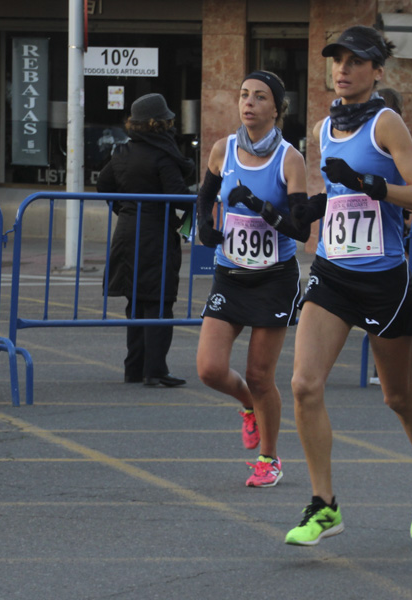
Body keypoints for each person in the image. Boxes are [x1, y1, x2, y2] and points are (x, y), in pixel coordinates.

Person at [283, 25, 412, 547]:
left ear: (377, 71)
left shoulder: (387, 122)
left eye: (356, 61)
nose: (343, 68)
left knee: (398, 397)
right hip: (333, 272)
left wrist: (371, 185)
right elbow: (333, 192)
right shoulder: (322, 127)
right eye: (337, 59)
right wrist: (312, 207)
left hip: (383, 279)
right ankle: (324, 503)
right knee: (304, 385)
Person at [194, 71, 310, 487]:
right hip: (230, 273)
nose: (249, 103)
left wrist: (261, 207)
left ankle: (270, 458)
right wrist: (205, 228)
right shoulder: (223, 149)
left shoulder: (289, 158)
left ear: (276, 109)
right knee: (209, 368)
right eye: (244, 95)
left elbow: (300, 229)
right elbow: (206, 195)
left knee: (261, 376)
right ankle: (248, 406)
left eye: (260, 97)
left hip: (274, 277)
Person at [97, 93, 194, 388]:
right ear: (158, 123)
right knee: (160, 301)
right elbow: (177, 194)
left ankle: (134, 369)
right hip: (155, 234)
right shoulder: (163, 154)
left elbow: (104, 184)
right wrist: (190, 216)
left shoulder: (122, 152)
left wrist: (125, 211)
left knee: (136, 301)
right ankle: (156, 370)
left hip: (126, 233)